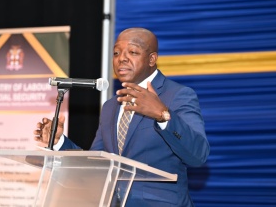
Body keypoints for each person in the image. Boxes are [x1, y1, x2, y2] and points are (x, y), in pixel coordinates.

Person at [33, 27, 210, 206]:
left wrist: (163, 116)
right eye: (116, 52)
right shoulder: (111, 106)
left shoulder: (178, 95)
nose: (121, 58)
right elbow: (97, 163)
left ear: (152, 59)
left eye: (132, 52)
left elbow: (198, 155)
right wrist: (59, 142)